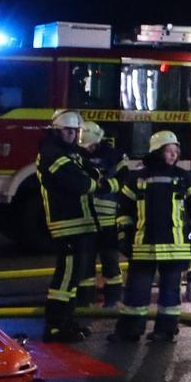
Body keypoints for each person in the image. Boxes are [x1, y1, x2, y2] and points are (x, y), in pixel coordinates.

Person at [111, 130, 191, 344]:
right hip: (143, 247)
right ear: (156, 152)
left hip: (175, 248)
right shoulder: (137, 178)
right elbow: (124, 211)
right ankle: (130, 331)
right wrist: (123, 237)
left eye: (176, 151)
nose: (173, 155)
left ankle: (165, 331)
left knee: (170, 295)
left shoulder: (184, 178)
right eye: (169, 151)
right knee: (136, 292)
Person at [39, 109, 98, 340]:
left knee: (73, 278)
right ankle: (55, 325)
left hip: (79, 223)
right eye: (67, 131)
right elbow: (81, 183)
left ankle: (67, 322)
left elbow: (90, 171)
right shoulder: (52, 155)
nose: (72, 135)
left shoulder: (71, 154)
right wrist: (93, 181)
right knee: (65, 278)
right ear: (56, 131)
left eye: (75, 131)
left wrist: (91, 177)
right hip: (67, 223)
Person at [81, 121, 129, 310]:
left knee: (110, 263)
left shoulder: (114, 156)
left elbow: (124, 181)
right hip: (85, 221)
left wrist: (106, 186)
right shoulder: (77, 155)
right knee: (85, 265)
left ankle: (113, 300)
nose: (89, 149)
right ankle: (84, 302)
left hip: (108, 221)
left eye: (92, 145)